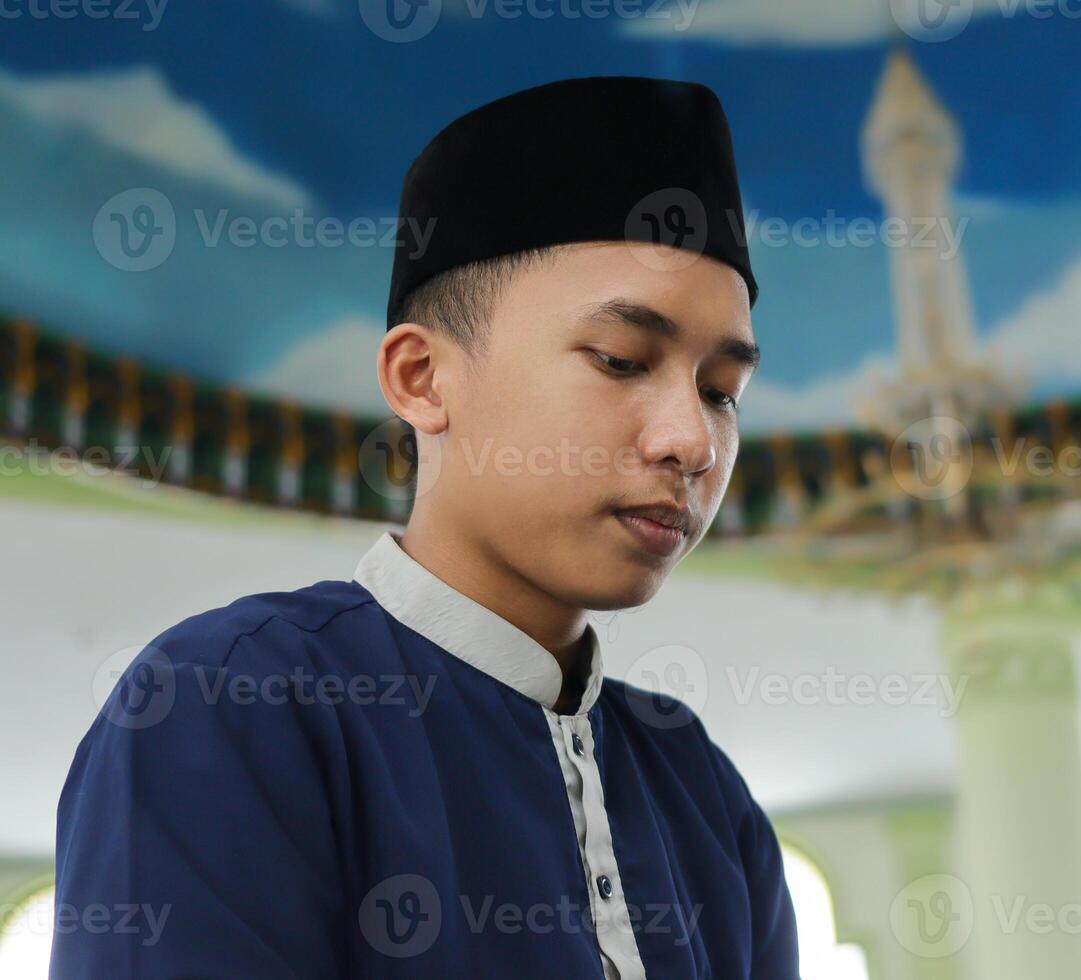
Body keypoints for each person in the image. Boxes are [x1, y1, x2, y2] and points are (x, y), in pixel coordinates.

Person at [52, 75, 800, 978]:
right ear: (420, 378)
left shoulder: (700, 790)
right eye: (620, 359)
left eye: (722, 391)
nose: (691, 440)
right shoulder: (229, 705)